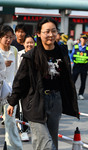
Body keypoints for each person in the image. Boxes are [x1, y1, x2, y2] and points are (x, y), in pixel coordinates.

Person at [7, 18, 79, 150]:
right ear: (38, 34)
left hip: (55, 100)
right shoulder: (31, 56)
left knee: (51, 142)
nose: (51, 35)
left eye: (53, 31)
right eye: (47, 32)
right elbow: (21, 80)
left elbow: (66, 78)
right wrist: (12, 102)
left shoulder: (61, 51)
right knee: (46, 144)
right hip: (35, 102)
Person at [0, 25, 22, 150]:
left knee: (10, 121)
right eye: (5, 37)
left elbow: (16, 71)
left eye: (10, 37)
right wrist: (2, 64)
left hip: (10, 92)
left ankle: (14, 147)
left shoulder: (14, 50)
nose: (8, 40)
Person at [17, 35, 35, 142]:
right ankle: (23, 131)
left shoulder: (37, 54)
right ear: (23, 44)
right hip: (23, 86)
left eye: (31, 42)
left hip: (35, 87)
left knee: (33, 108)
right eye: (27, 43)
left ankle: (29, 128)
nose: (29, 45)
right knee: (22, 109)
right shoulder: (19, 55)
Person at [71, 34, 88, 100]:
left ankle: (80, 94)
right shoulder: (75, 47)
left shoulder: (87, 48)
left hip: (84, 66)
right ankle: (72, 93)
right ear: (80, 39)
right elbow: (72, 55)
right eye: (82, 38)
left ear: (87, 40)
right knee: (73, 80)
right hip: (77, 65)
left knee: (83, 81)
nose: (84, 40)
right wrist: (73, 62)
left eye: (85, 38)